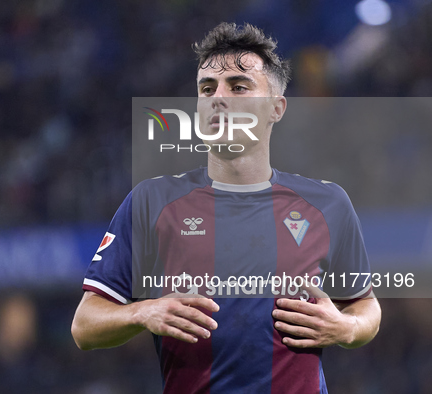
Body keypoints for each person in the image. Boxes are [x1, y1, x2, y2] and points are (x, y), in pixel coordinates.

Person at [71, 22, 381, 393]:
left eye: (238, 86)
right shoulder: (152, 202)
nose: (219, 97)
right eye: (207, 88)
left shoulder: (327, 204)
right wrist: (143, 311)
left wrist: (347, 328)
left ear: (276, 108)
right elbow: (84, 326)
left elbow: (365, 307)